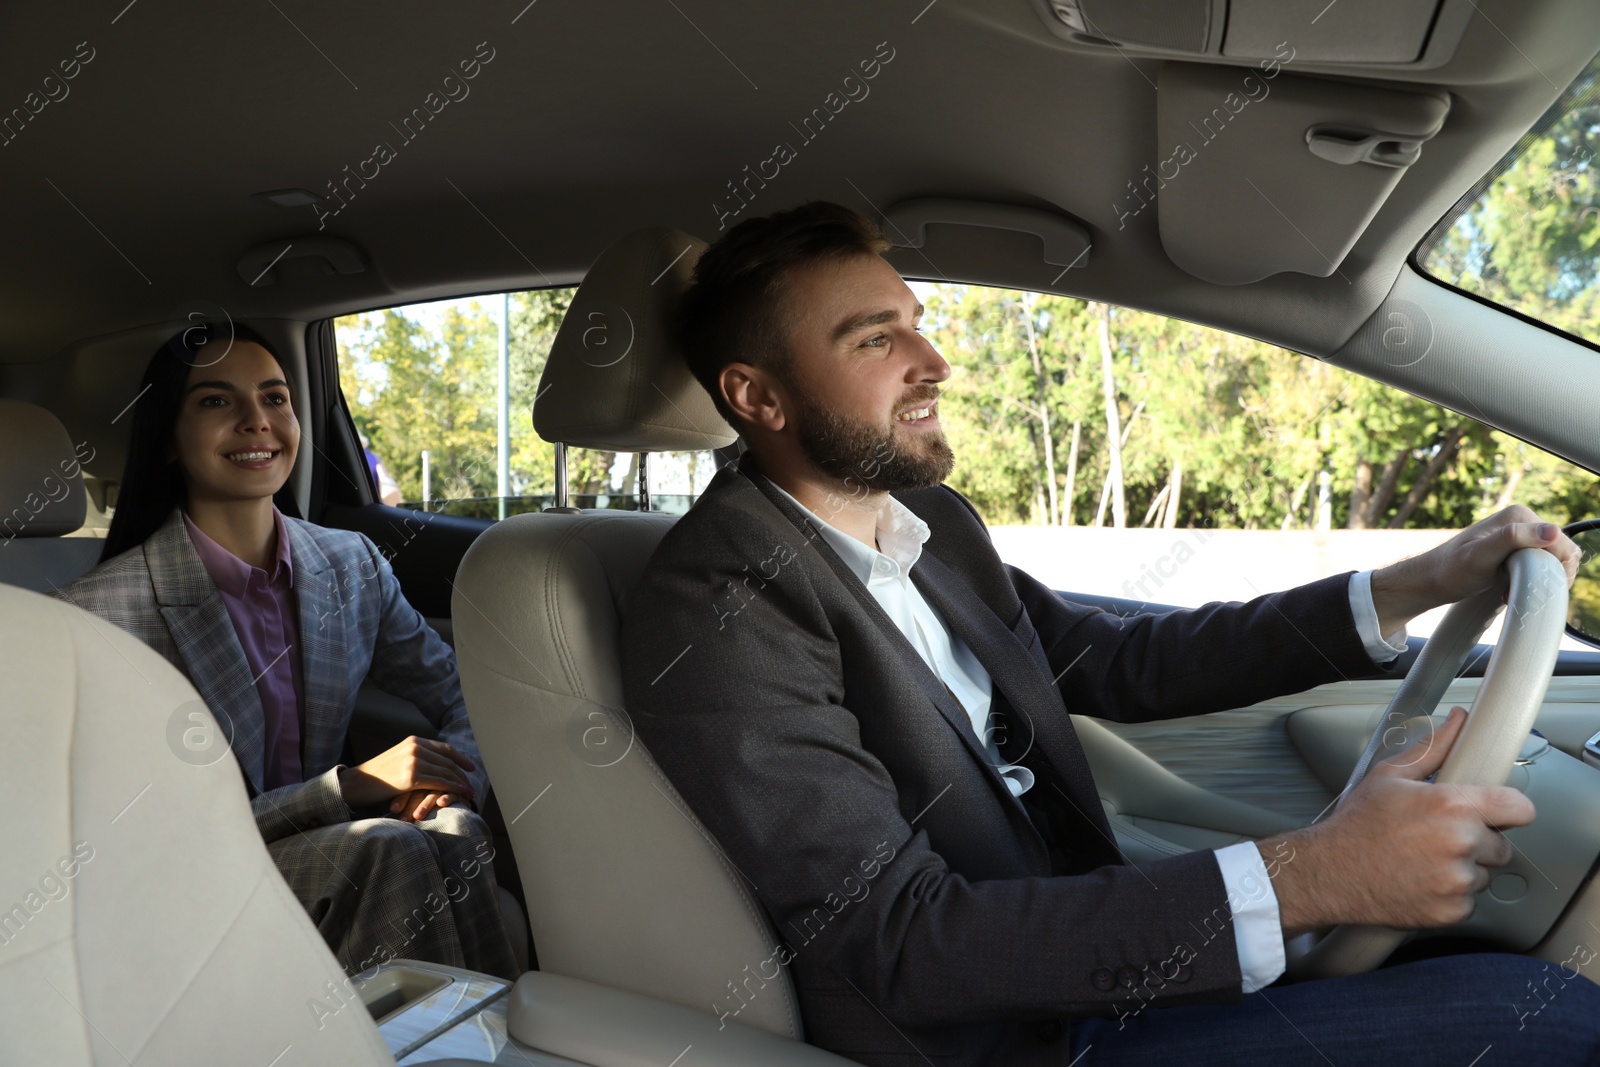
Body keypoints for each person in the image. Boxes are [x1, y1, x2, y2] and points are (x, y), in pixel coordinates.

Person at [619, 202, 1600, 1065]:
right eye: (875, 339)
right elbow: (901, 943)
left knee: (1474, 957)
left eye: (915, 325)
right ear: (757, 396)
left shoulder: (930, 526)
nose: (935, 363)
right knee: (1544, 1015)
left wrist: (1408, 585)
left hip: (1087, 966)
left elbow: (1116, 660)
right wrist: (1312, 872)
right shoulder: (724, 601)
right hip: (1008, 1038)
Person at [57, 323, 519, 980]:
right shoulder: (95, 614)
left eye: (275, 398)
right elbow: (131, 833)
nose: (257, 421)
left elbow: (462, 689)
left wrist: (450, 781)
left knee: (454, 829)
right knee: (384, 849)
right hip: (185, 874)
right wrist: (346, 787)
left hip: (315, 851)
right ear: (166, 437)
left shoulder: (350, 563)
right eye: (217, 402)